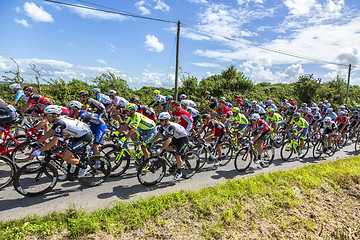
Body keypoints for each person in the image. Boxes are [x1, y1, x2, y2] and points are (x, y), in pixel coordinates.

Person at [32, 105, 92, 179]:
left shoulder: (60, 123)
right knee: (65, 153)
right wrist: (37, 142)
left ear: (55, 115)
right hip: (78, 135)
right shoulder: (58, 121)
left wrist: (39, 150)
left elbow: (53, 141)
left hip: (85, 136)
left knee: (65, 156)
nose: (46, 117)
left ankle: (85, 167)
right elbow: (50, 133)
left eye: (47, 115)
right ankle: (70, 172)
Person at [151, 112, 189, 181]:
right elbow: (158, 135)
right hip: (176, 138)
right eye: (160, 120)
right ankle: (174, 154)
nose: (160, 122)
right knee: (164, 145)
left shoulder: (171, 126)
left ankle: (179, 172)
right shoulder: (163, 126)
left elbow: (168, 141)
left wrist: (160, 149)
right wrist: (151, 142)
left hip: (183, 139)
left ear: (167, 120)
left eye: (162, 120)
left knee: (177, 155)